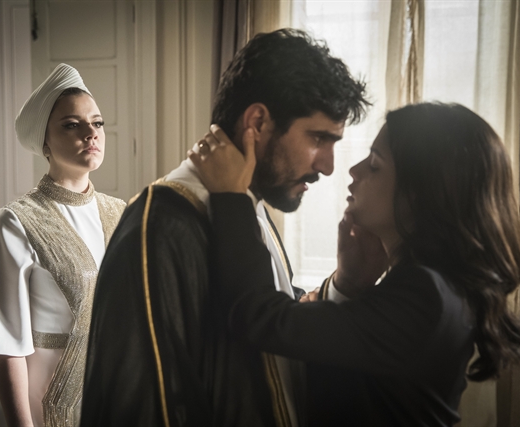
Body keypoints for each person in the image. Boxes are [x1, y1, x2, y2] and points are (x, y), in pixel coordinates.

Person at [81, 29, 369, 425]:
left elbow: (268, 320)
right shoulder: (160, 224)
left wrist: (343, 287)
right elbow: (141, 403)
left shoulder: (245, 207)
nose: (328, 166)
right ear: (258, 122)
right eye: (318, 138)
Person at [191, 102, 520, 426]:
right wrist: (347, 286)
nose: (352, 171)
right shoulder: (434, 287)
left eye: (375, 165)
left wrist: (231, 198)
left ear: (421, 194)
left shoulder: (426, 295)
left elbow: (261, 319)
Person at [0, 64, 126, 427]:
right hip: (38, 410)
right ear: (45, 142)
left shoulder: (123, 215)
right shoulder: (13, 224)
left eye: (97, 123)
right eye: (72, 125)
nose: (91, 133)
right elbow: (6, 347)